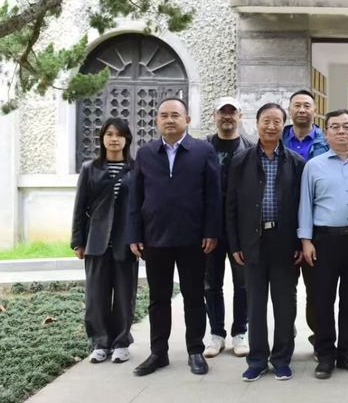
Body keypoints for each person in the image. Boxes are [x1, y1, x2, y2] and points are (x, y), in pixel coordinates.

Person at [128, 97, 221, 377]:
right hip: (155, 237)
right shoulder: (145, 153)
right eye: (164, 115)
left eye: (175, 115)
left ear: (187, 120)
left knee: (194, 296)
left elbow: (214, 195)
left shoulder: (203, 151)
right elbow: (135, 198)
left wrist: (211, 231)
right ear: (157, 120)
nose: (169, 120)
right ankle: (159, 352)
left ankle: (195, 350)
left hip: (193, 238)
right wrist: (134, 233)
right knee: (158, 298)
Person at [226, 102, 305, 382]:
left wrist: (300, 242)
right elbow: (231, 206)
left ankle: (282, 359)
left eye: (276, 122)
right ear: (257, 123)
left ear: (283, 125)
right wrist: (235, 245)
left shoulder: (296, 162)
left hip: (285, 243)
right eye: (266, 121)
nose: (271, 127)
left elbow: (303, 206)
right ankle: (257, 360)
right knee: (255, 304)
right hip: (252, 242)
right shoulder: (241, 161)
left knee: (285, 305)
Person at [298, 109, 348, 379]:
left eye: (346, 126)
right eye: (335, 127)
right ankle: (325, 354)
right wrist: (306, 240)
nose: (341, 131)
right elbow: (305, 204)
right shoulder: (313, 166)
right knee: (322, 299)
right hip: (324, 241)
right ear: (326, 133)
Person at [70, 118, 138, 364]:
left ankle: (121, 343)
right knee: (95, 297)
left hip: (125, 242)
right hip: (96, 240)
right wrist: (78, 240)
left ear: (127, 139)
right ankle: (100, 343)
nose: (114, 139)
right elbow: (80, 207)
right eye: (109, 134)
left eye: (119, 135)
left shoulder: (136, 169)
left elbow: (141, 207)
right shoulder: (90, 168)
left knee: (124, 296)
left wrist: (139, 238)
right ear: (102, 138)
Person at [204, 96, 251, 359]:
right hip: (211, 228)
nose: (227, 116)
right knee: (211, 284)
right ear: (214, 116)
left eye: (232, 112)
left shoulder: (250, 148)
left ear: (239, 116)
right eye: (222, 112)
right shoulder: (203, 148)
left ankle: (240, 332)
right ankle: (217, 334)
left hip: (240, 230)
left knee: (242, 284)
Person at [282, 89, 329, 349]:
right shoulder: (277, 138)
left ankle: (319, 339)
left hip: (317, 226)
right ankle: (285, 339)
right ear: (290, 109)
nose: (302, 110)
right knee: (285, 290)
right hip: (284, 224)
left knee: (317, 290)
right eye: (297, 105)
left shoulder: (326, 141)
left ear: (315, 110)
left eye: (307, 106)